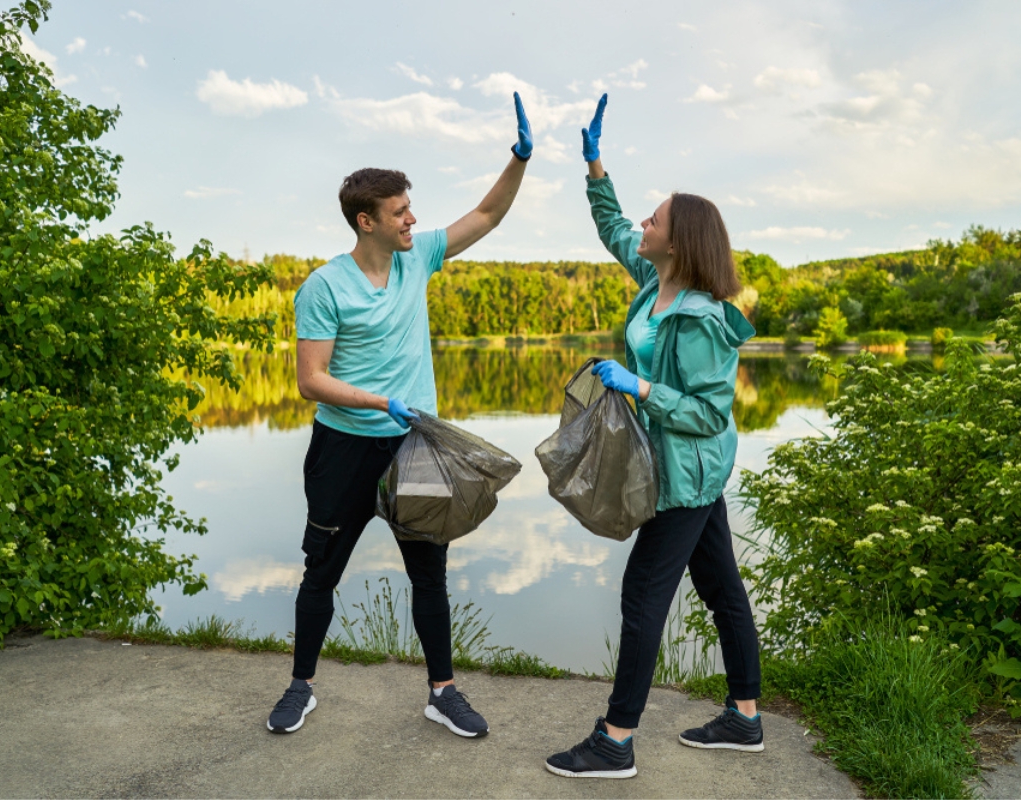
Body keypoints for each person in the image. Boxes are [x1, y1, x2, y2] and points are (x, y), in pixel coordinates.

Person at [266, 93, 535, 738]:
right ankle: (300, 687)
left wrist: (519, 157)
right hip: (345, 449)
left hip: (414, 449)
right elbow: (311, 381)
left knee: (429, 572)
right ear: (366, 222)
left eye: (411, 209)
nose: (413, 219)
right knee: (321, 571)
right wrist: (377, 400)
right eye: (400, 212)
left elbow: (488, 215)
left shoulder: (420, 258)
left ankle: (442, 692)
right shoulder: (324, 286)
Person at [545, 94, 762, 779]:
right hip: (681, 469)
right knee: (723, 587)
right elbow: (613, 229)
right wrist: (594, 167)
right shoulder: (654, 281)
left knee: (642, 597)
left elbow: (706, 413)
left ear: (680, 239)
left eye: (655, 219)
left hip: (686, 475)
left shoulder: (700, 318)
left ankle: (616, 740)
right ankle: (745, 718)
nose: (643, 223)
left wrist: (640, 389)